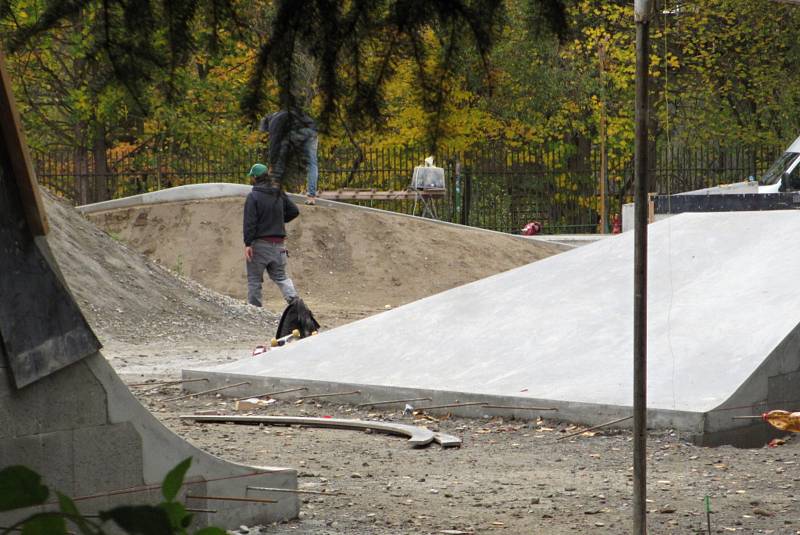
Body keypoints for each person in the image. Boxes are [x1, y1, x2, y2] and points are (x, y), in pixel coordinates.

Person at [243, 163, 300, 307]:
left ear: (255, 177)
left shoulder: (253, 196)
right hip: (279, 245)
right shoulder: (278, 193)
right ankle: (296, 305)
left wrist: (248, 243)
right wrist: (280, 220)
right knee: (281, 277)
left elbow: (250, 222)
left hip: (260, 245)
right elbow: (294, 211)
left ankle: (255, 312)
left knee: (254, 280)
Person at [259, 109, 319, 204]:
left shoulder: (274, 123)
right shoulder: (281, 115)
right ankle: (311, 197)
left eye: (266, 130)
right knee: (311, 163)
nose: (267, 132)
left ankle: (276, 189)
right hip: (311, 130)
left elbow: (273, 146)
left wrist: (271, 165)